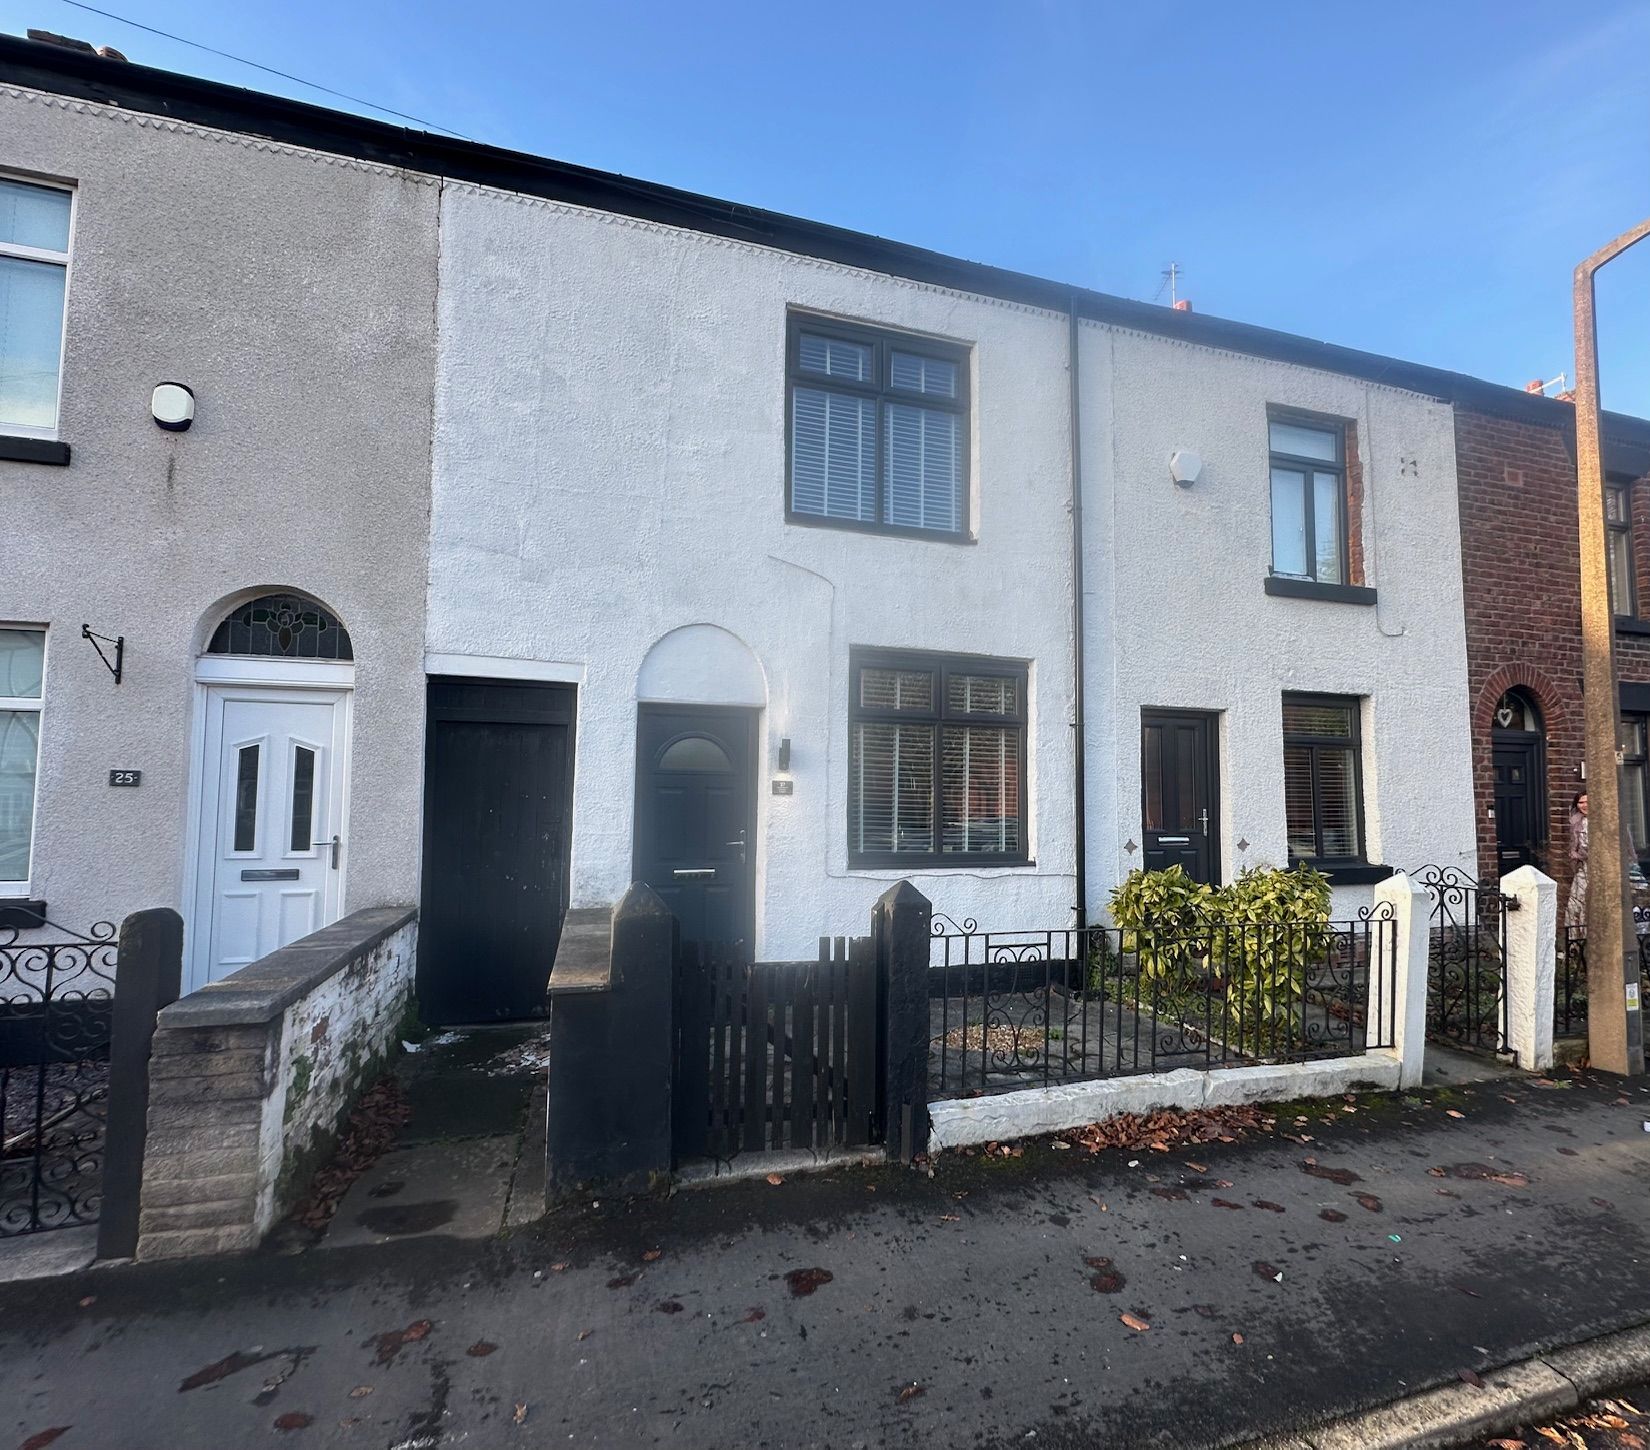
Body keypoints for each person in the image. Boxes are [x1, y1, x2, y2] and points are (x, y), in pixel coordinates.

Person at [1565, 790, 1588, 931]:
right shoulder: (1576, 821)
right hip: (1582, 868)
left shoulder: (1603, 822)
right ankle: (1575, 943)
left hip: (1599, 868)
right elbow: (1573, 845)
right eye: (1581, 802)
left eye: (1587, 802)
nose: (1584, 805)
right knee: (1574, 905)